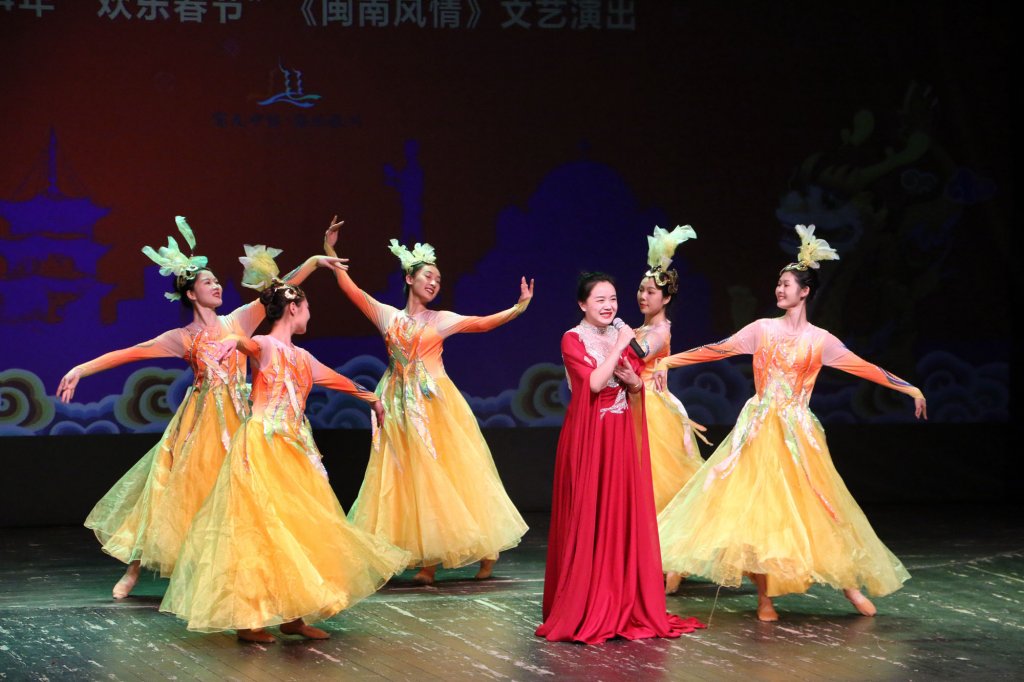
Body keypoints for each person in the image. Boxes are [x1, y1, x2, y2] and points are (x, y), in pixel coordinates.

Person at [57, 217, 343, 598]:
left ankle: (235, 578)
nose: (217, 285)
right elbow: (133, 352)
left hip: (240, 420)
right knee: (171, 492)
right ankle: (135, 568)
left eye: (217, 281)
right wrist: (81, 369)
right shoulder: (181, 338)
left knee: (246, 496)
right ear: (192, 294)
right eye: (208, 282)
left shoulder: (238, 320)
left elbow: (280, 289)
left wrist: (314, 261)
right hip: (200, 422)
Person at [654, 224, 927, 621]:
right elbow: (717, 349)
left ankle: (850, 586)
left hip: (799, 434)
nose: (779, 290)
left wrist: (909, 388)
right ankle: (765, 598)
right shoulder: (762, 329)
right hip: (760, 430)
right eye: (778, 284)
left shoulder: (820, 340)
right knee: (762, 513)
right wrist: (668, 361)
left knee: (819, 506)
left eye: (786, 284)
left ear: (804, 292)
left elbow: (864, 367)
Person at [160, 281, 409, 642]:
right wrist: (233, 341)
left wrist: (373, 399)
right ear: (294, 308)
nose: (309, 316)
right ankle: (249, 619)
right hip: (261, 445)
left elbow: (338, 381)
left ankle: (294, 615)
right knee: (260, 528)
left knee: (301, 526)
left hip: (294, 449)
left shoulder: (303, 357)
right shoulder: (265, 345)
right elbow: (247, 344)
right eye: (307, 309)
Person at [323, 217, 532, 584]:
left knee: (445, 474)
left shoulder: (442, 319)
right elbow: (350, 288)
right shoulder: (387, 316)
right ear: (409, 279)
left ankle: (467, 555)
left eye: (438, 279)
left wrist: (518, 307)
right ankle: (417, 554)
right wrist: (329, 249)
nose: (434, 283)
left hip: (433, 404)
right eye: (428, 276)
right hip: (398, 405)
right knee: (405, 477)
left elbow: (482, 323)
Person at [536, 272, 705, 644]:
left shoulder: (621, 336)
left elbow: (634, 385)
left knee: (620, 517)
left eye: (612, 299)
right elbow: (594, 383)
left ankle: (620, 600)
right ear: (583, 304)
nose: (609, 306)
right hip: (588, 436)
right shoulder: (572, 338)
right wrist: (620, 344)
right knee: (588, 517)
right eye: (600, 300)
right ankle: (583, 604)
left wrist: (634, 380)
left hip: (620, 434)